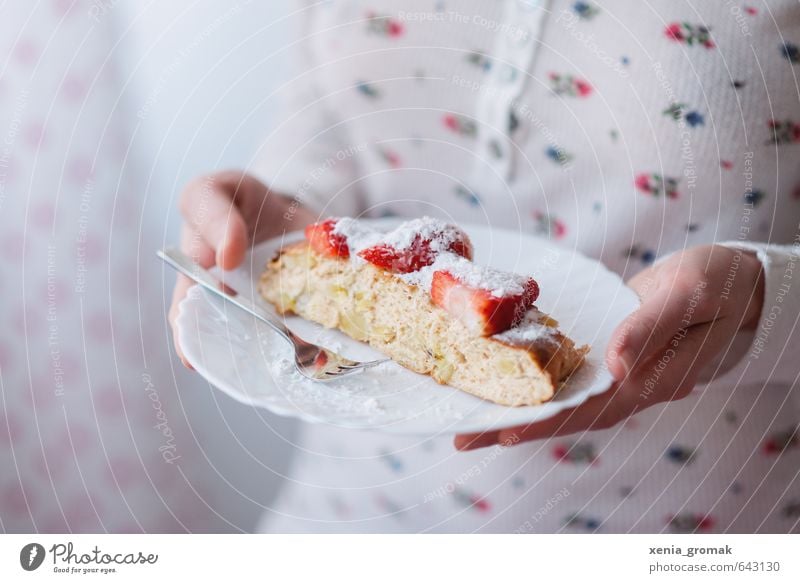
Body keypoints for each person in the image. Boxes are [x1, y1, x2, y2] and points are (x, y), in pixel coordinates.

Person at [169, 1, 800, 532]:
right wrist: (283, 209)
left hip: (677, 510)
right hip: (346, 501)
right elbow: (327, 109)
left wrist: (769, 299)